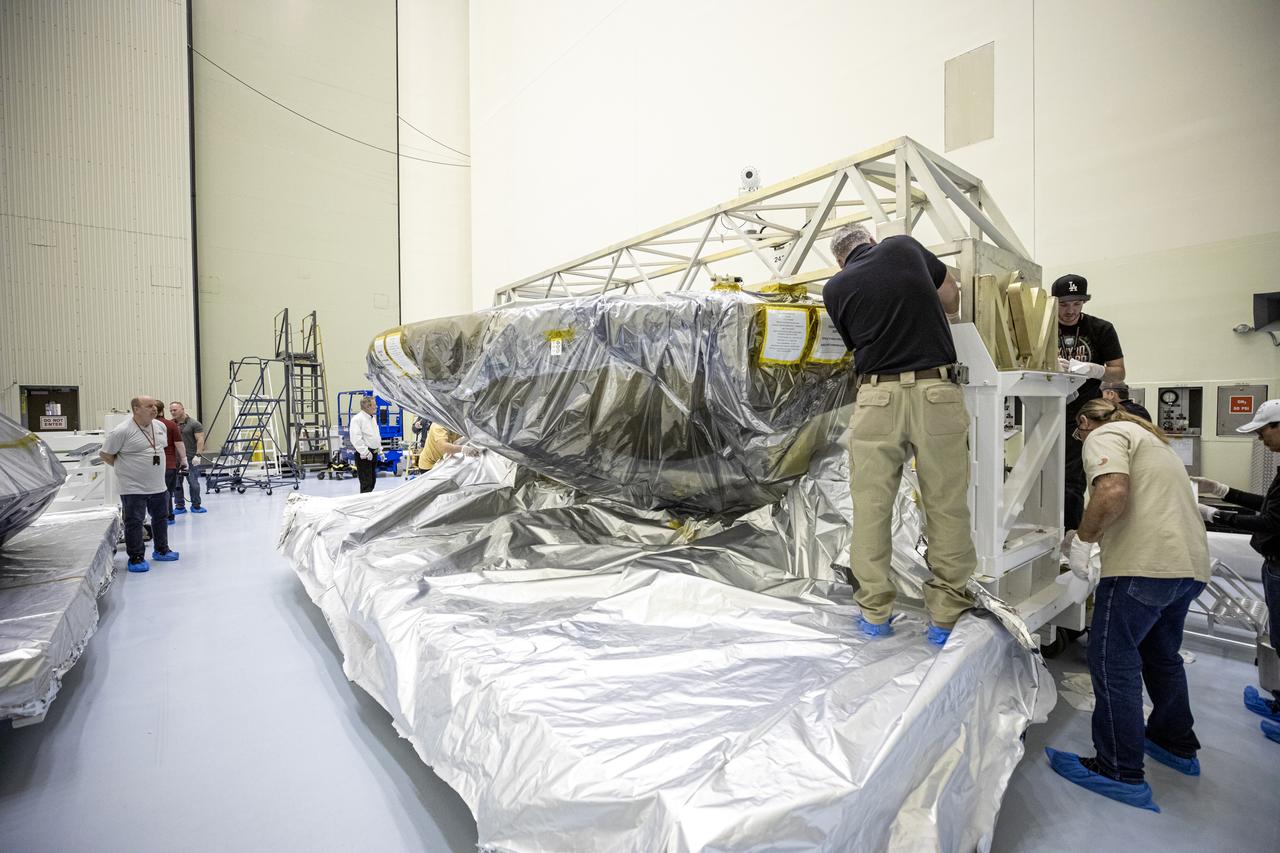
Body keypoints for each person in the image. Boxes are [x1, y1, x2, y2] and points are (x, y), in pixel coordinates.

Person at [1046, 398, 1210, 812]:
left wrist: (1083, 539)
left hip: (1143, 568)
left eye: (1077, 431)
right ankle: (1174, 743)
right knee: (1161, 657)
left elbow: (1112, 492)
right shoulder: (1153, 441)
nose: (1080, 437)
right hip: (1188, 568)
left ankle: (1118, 769)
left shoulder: (1104, 435)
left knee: (1111, 662)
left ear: (1084, 421)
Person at [822, 223, 975, 646]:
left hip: (876, 399)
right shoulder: (903, 247)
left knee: (871, 509)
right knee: (946, 506)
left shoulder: (834, 289)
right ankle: (945, 618)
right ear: (870, 240)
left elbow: (856, 342)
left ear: (840, 260)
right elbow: (950, 296)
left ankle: (875, 614)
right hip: (935, 392)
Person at [1192, 398, 1280, 745]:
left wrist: (1215, 515)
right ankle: (1278, 703)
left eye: (1263, 432)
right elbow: (1267, 504)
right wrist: (1222, 491)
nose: (1261, 439)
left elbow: (1271, 520)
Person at [1055, 274, 1125, 532]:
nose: (1070, 310)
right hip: (1047, 406)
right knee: (1040, 472)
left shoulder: (1100, 329)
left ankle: (1070, 533)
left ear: (1084, 302)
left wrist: (1094, 370)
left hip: (1083, 412)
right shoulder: (1041, 330)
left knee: (1072, 477)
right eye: (1064, 304)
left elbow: (1119, 372)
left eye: (1077, 303)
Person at [99, 396, 180, 572]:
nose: (154, 409)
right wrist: (124, 468)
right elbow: (105, 454)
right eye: (149, 406)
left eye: (155, 406)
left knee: (161, 518)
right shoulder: (122, 431)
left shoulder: (160, 426)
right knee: (134, 522)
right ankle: (136, 557)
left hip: (158, 485)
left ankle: (162, 550)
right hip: (133, 487)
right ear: (136, 409)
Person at [152, 399, 187, 524]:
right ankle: (169, 515)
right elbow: (179, 444)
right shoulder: (171, 425)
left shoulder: (147, 425)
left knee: (156, 492)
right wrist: (184, 461)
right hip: (169, 464)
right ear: (163, 410)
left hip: (153, 465)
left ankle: (161, 516)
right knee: (167, 492)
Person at [169, 401, 207, 514]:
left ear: (182, 409)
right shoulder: (170, 424)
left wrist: (198, 455)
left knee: (193, 483)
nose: (172, 412)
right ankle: (180, 506)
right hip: (175, 459)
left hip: (190, 458)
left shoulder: (194, 424)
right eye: (171, 410)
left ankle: (196, 505)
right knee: (176, 484)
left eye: (175, 410)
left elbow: (200, 440)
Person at [349, 395, 383, 494]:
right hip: (364, 456)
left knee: (372, 481)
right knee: (366, 483)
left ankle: (368, 500)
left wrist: (380, 450)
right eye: (374, 405)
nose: (376, 407)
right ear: (367, 406)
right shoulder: (357, 419)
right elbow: (356, 438)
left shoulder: (372, 418)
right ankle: (364, 502)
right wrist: (365, 452)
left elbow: (376, 435)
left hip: (373, 453)